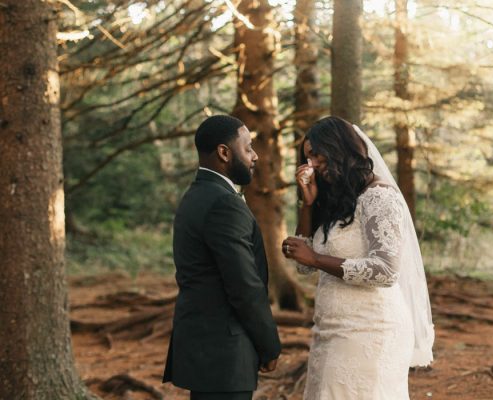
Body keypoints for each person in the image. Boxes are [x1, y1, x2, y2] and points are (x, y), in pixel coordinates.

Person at [282, 116, 434, 399]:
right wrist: (308, 203)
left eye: (316, 154)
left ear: (338, 147)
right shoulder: (336, 200)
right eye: (307, 157)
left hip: (371, 330)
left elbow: (386, 270)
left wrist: (315, 258)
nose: (311, 164)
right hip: (329, 330)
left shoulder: (379, 197)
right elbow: (304, 268)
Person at [163, 115, 281, 400]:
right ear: (224, 152)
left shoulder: (196, 195)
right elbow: (244, 285)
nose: (255, 156)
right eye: (248, 148)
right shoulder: (223, 203)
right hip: (224, 353)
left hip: (204, 347)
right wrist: (269, 345)